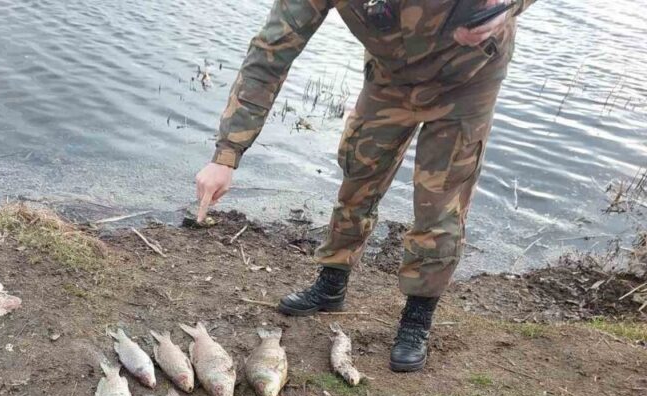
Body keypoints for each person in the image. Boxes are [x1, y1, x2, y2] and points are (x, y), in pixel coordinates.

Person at [195, 0, 536, 372]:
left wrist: (509, 5)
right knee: (359, 173)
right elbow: (269, 54)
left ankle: (418, 315)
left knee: (441, 201)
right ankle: (332, 282)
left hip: (467, 80)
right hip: (390, 75)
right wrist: (226, 155)